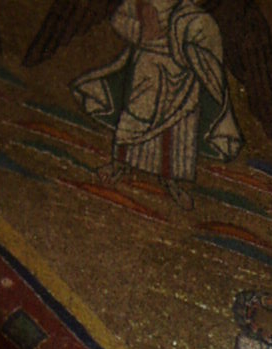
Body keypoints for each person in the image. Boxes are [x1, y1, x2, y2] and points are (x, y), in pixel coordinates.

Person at [71, 0, 243, 209]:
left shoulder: (194, 14)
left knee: (179, 130)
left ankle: (172, 180)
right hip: (149, 66)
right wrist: (142, 32)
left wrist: (194, 51)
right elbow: (119, 19)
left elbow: (209, 48)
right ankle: (119, 164)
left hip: (184, 76)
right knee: (138, 113)